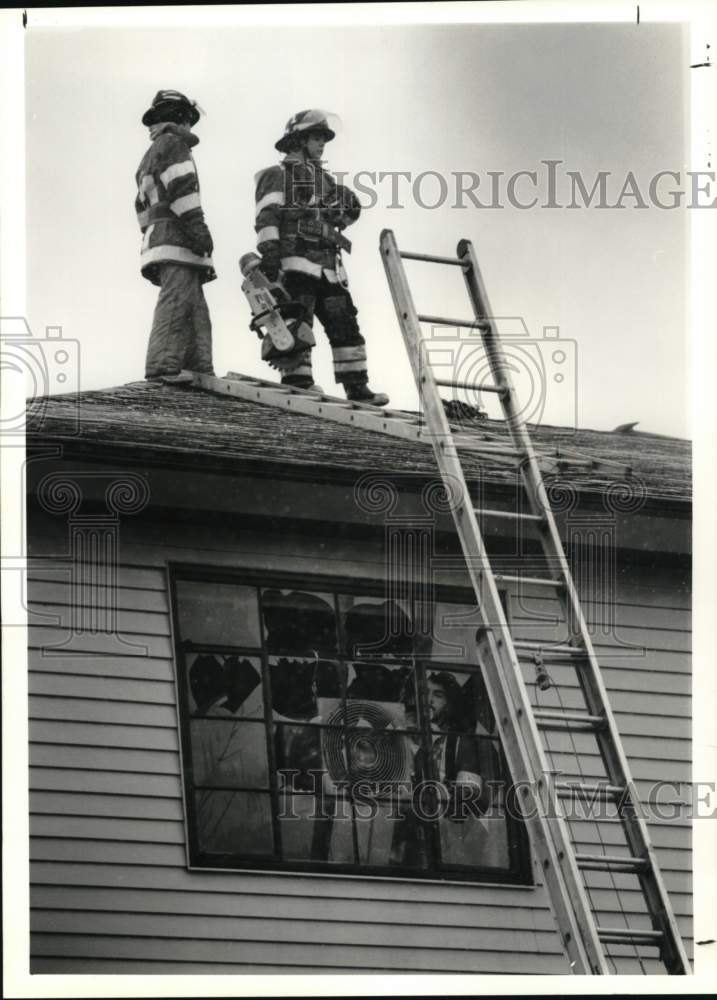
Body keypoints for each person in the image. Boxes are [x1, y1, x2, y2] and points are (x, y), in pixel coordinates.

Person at [254, 109, 389, 405]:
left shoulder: (327, 181)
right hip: (295, 265)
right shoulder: (277, 176)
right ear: (299, 141)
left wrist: (344, 213)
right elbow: (267, 217)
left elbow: (338, 218)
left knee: (345, 323)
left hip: (328, 269)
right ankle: (297, 380)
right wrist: (270, 255)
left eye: (323, 139)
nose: (322, 144)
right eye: (316, 138)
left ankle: (357, 387)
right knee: (296, 324)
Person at [135, 89, 216, 382]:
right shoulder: (174, 146)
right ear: (180, 119)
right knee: (177, 301)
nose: (190, 128)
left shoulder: (150, 155)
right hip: (177, 238)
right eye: (189, 121)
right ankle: (163, 365)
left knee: (194, 306)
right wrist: (198, 230)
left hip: (161, 238)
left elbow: (141, 209)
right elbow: (183, 189)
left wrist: (152, 234)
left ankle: (199, 367)